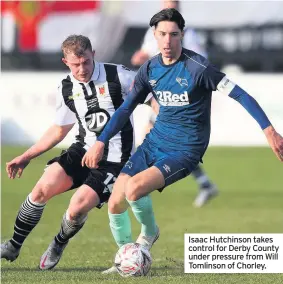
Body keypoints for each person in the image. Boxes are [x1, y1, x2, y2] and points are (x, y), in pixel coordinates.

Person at [81, 8, 283, 274]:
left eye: (173, 35)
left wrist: (269, 131)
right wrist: (101, 141)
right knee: (116, 200)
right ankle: (125, 260)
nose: (167, 41)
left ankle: (148, 235)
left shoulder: (198, 68)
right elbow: (126, 109)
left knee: (134, 190)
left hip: (185, 150)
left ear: (182, 35)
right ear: (154, 35)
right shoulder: (150, 69)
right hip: (154, 142)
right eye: (162, 34)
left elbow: (241, 95)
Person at [1, 34, 151, 270]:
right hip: (81, 150)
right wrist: (26, 156)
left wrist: (162, 124)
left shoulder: (118, 75)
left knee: (77, 207)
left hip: (114, 160)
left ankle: (59, 242)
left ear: (93, 55)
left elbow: (152, 96)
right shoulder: (66, 87)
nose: (82, 69)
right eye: (75, 64)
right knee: (41, 190)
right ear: (65, 62)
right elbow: (59, 130)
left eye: (86, 62)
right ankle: (14, 244)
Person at [131, 0, 216, 208]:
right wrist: (141, 56)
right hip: (158, 90)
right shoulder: (154, 30)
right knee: (151, 136)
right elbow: (146, 53)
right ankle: (202, 183)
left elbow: (200, 62)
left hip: (177, 92)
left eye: (171, 4)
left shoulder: (187, 33)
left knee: (160, 138)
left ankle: (140, 185)